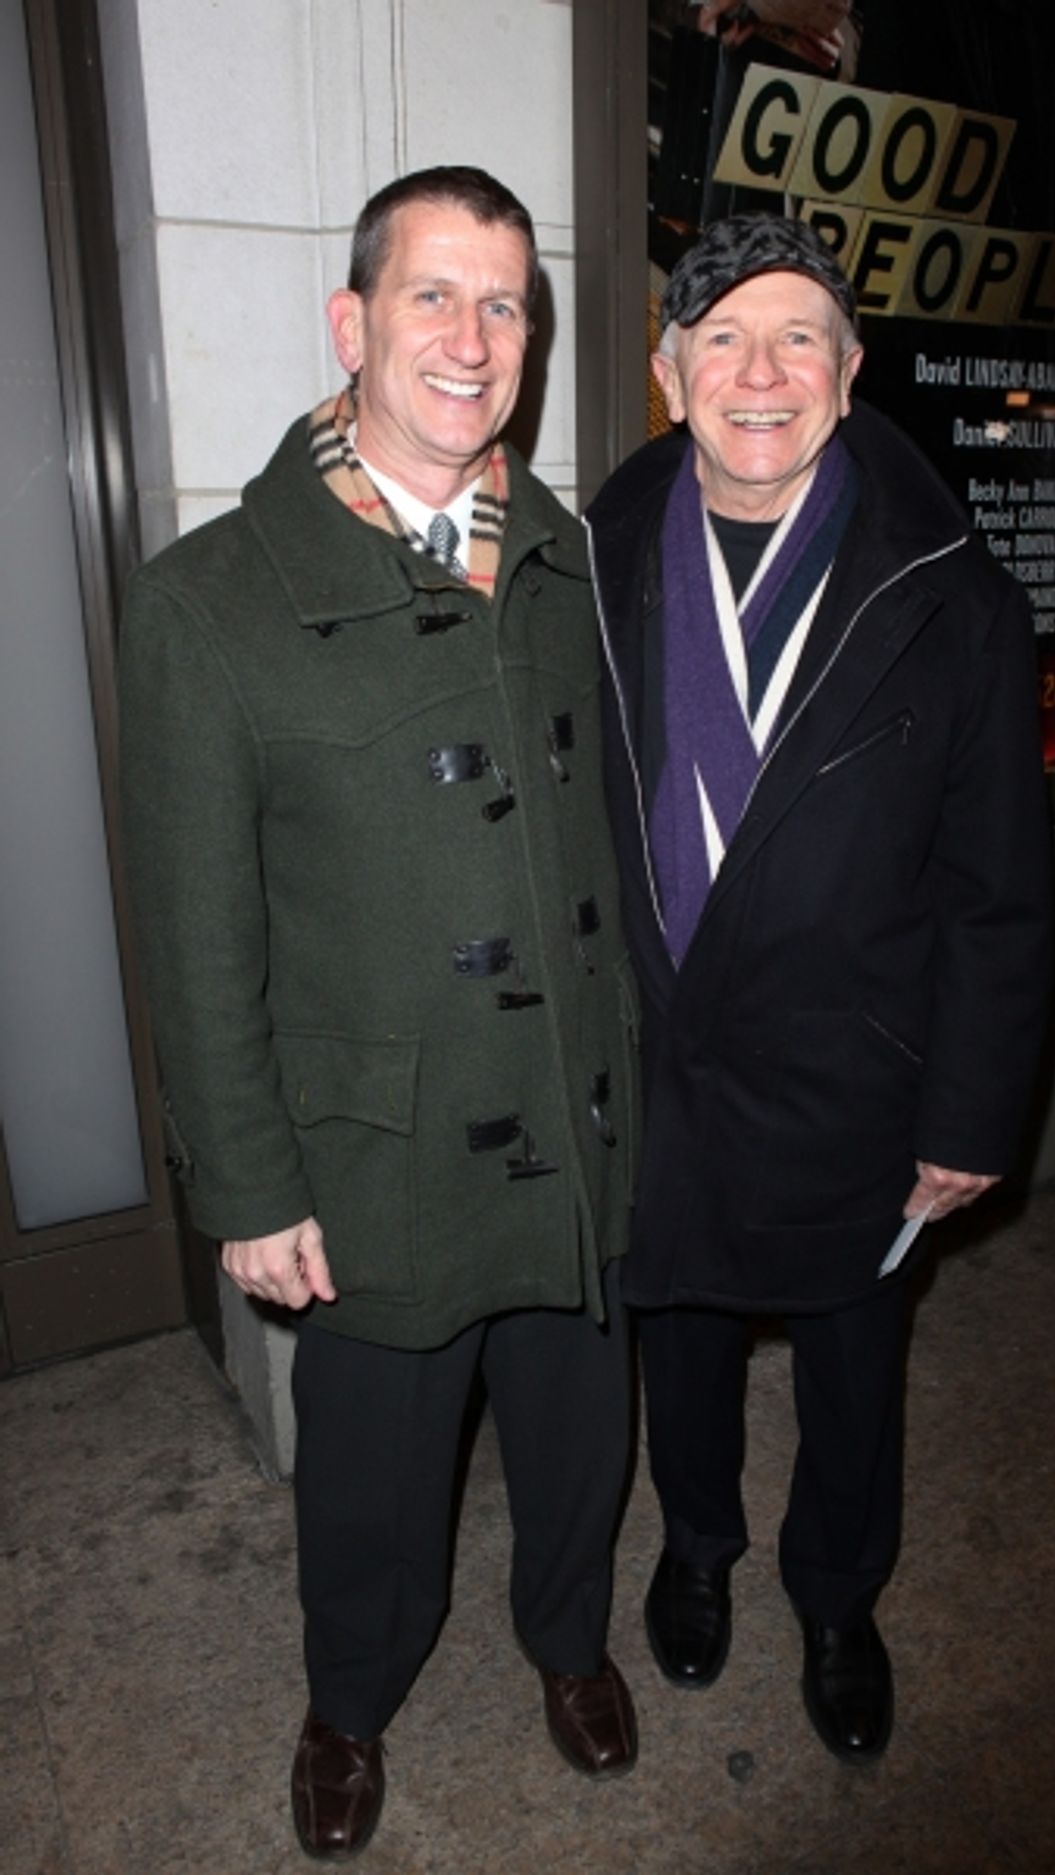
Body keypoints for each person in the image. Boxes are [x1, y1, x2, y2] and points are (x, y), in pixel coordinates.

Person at [120, 167, 639, 1863]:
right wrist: (248, 1184)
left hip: (572, 1119)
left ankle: (568, 1641)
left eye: (506, 306)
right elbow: (195, 935)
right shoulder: (208, 602)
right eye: (434, 295)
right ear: (350, 325)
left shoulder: (565, 560)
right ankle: (350, 1699)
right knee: (371, 1488)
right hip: (378, 1153)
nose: (472, 340)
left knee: (578, 1437)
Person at [587, 215, 1055, 1763]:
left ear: (850, 376)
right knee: (688, 1337)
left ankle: (840, 1593)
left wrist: (973, 1107)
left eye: (800, 338)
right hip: (669, 1060)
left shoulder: (953, 596)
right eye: (722, 337)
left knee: (857, 1362)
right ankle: (700, 1545)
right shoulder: (591, 560)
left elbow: (999, 891)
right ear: (668, 376)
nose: (761, 371)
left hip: (860, 1070)